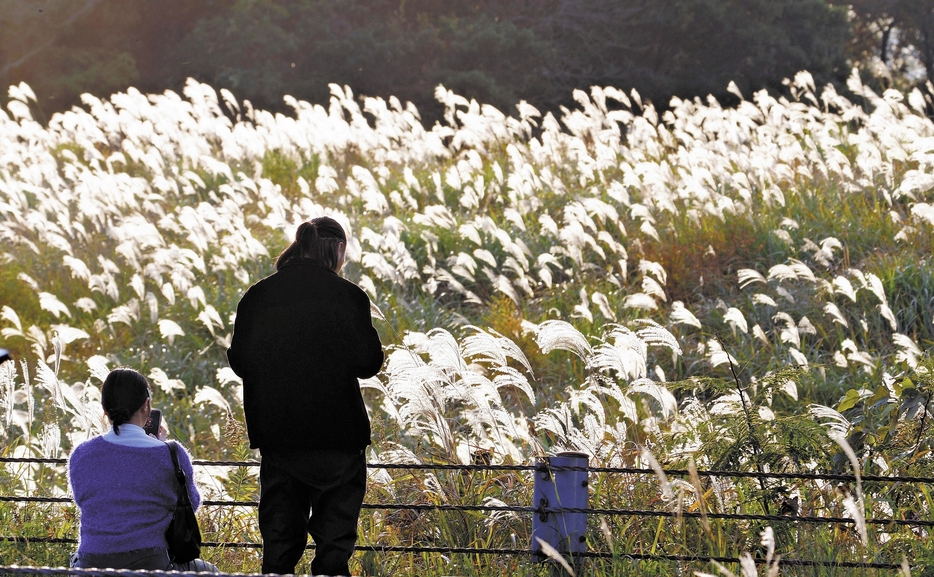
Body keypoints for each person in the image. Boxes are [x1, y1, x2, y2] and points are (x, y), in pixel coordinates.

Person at [227, 216, 384, 576]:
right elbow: (368, 363)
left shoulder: (258, 295)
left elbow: (240, 361)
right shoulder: (349, 297)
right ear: (339, 249)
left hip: (280, 439)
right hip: (337, 442)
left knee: (279, 548)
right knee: (334, 548)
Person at [67, 368, 217, 571]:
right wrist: (162, 447)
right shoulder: (170, 455)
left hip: (92, 564)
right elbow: (191, 504)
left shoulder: (82, 454)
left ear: (104, 409)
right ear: (146, 405)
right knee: (208, 571)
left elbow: (84, 501)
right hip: (151, 563)